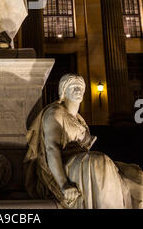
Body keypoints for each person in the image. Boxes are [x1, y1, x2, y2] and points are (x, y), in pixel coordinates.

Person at [24, 74, 143, 209]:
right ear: (63, 91)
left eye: (81, 87)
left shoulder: (79, 119)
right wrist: (64, 184)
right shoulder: (55, 113)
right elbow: (51, 149)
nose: (78, 90)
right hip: (62, 165)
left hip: (79, 162)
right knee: (100, 161)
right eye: (73, 87)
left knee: (134, 174)